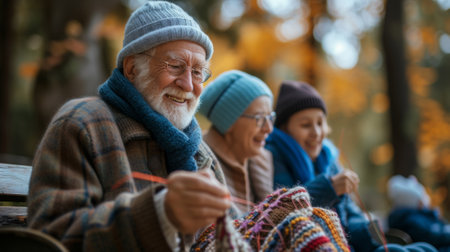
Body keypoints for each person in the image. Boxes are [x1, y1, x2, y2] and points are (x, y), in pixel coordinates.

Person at [27, 2, 231, 251]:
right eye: (176, 66)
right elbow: (51, 238)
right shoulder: (80, 123)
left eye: (198, 72)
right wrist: (159, 215)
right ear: (132, 69)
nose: (188, 84)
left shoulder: (201, 153)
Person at [265, 80, 438, 252]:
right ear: (284, 128)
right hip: (311, 245)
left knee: (424, 249)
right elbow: (281, 210)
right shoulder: (274, 156)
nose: (316, 133)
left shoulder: (328, 158)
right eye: (305, 125)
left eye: (320, 123)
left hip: (345, 244)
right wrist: (329, 187)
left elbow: (348, 217)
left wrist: (369, 230)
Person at [197, 70, 275, 215]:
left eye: (270, 117)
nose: (269, 128)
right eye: (259, 118)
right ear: (228, 121)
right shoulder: (201, 163)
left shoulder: (262, 158)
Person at [387, 175, 450, 251]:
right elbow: (432, 236)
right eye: (422, 198)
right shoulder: (411, 219)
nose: (426, 200)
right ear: (414, 202)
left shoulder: (412, 216)